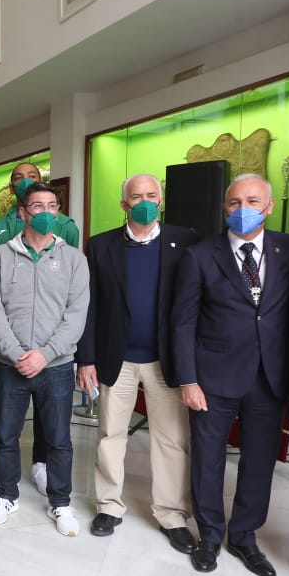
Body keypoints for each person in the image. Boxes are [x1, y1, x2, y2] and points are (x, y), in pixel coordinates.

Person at [172, 174, 289, 576]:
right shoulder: (200, 255)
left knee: (259, 461)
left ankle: (245, 536)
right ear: (224, 208)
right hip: (211, 378)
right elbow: (182, 321)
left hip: (270, 377)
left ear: (268, 207)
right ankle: (211, 535)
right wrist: (188, 379)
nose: (242, 208)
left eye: (252, 200)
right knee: (208, 459)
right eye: (234, 202)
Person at [75, 174, 199, 552]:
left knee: (172, 440)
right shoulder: (100, 246)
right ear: (123, 204)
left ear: (160, 199)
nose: (144, 201)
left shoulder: (188, 241)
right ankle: (109, 506)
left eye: (151, 195)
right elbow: (90, 305)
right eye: (135, 196)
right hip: (118, 358)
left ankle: (171, 513)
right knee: (111, 435)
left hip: (166, 360)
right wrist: (86, 358)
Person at [0, 182, 89, 534]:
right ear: (23, 212)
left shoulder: (74, 259)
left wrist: (44, 355)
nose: (45, 212)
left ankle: (60, 503)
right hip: (10, 365)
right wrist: (16, 354)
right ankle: (7, 495)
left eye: (51, 205)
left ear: (58, 211)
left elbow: (76, 315)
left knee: (59, 438)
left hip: (55, 367)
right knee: (7, 435)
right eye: (37, 206)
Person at [0, 163, 79, 249]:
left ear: (40, 182)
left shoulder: (67, 227)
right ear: (11, 188)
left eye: (32, 176)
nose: (26, 181)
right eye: (19, 178)